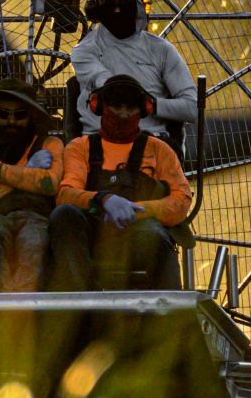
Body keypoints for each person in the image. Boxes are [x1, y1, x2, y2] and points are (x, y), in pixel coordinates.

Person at [50, 74, 192, 291]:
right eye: (116, 106)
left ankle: (172, 315)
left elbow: (181, 200)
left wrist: (138, 211)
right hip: (94, 233)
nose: (123, 114)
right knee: (64, 215)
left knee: (155, 237)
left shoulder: (159, 149)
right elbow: (66, 194)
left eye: (130, 107)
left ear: (143, 109)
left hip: (141, 233)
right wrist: (103, 199)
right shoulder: (80, 147)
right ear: (99, 106)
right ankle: (82, 304)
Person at [0, 79, 66, 293]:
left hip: (36, 219)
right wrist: (29, 171)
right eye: (3, 114)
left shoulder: (50, 144)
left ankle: (22, 314)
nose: (11, 121)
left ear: (31, 117)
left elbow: (49, 184)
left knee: (33, 243)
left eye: (20, 115)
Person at [71, 0, 197, 142]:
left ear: (138, 6)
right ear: (96, 9)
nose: (117, 9)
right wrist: (136, 99)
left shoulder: (162, 50)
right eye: (110, 3)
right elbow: (107, 83)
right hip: (96, 146)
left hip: (151, 144)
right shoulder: (83, 51)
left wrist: (153, 106)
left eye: (123, 2)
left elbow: (194, 109)